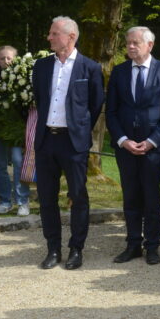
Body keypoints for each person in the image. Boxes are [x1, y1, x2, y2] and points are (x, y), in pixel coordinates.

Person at [31, 17, 105, 270]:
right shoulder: (41, 66)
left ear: (71, 36)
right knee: (46, 197)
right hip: (46, 140)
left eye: (54, 34)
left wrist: (79, 129)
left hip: (73, 142)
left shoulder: (90, 67)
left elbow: (95, 104)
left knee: (78, 196)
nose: (49, 37)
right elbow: (40, 98)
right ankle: (53, 248)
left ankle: (76, 248)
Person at [106, 27, 160, 265]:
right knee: (130, 196)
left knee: (151, 198)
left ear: (150, 45)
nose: (130, 46)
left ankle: (153, 246)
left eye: (135, 43)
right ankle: (133, 244)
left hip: (153, 148)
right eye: (128, 42)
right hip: (125, 147)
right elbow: (111, 111)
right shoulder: (119, 72)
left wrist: (151, 141)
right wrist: (123, 140)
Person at [0, 45, 31, 217]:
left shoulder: (23, 77)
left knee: (18, 162)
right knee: (0, 165)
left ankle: (22, 201)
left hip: (17, 128)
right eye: (2, 58)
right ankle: (5, 201)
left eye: (9, 58)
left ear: (15, 59)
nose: (6, 61)